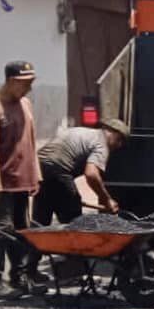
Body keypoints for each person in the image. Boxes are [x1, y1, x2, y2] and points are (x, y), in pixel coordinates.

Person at [25, 119, 131, 286]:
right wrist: (106, 199)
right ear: (113, 134)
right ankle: (73, 273)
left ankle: (28, 272)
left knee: (40, 224)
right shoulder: (101, 143)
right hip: (57, 169)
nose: (117, 147)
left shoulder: (83, 132)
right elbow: (91, 174)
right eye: (119, 142)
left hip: (38, 168)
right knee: (75, 224)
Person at [0, 61, 41, 298]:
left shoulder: (25, 104)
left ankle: (19, 276)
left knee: (21, 231)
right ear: (13, 81)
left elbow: (31, 141)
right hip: (2, 182)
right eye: (27, 83)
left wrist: (36, 175)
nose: (29, 89)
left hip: (22, 181)